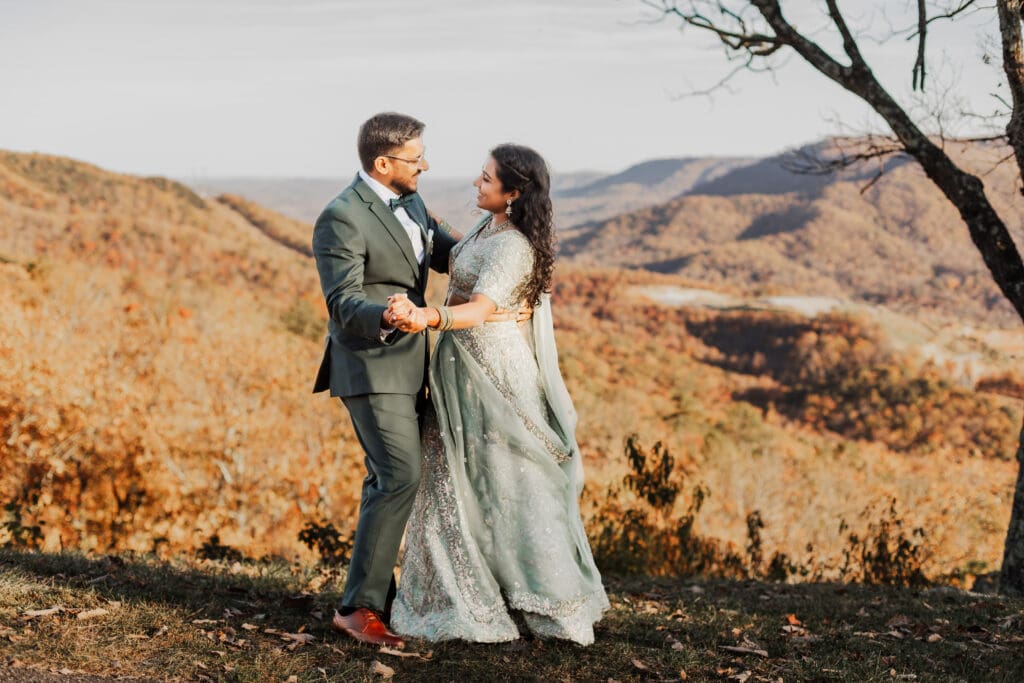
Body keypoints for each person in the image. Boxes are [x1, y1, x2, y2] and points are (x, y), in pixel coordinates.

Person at [386, 144, 609, 645]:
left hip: (493, 372)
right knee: (456, 478)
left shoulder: (514, 247)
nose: (476, 183)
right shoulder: (491, 228)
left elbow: (482, 308)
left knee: (510, 478)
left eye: (486, 179)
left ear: (514, 193)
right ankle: (461, 590)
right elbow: (463, 259)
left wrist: (427, 318)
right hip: (461, 371)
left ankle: (545, 602)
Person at [311, 112, 459, 649]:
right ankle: (359, 609)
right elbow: (342, 301)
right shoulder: (341, 217)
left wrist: (506, 244)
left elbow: (446, 252)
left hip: (417, 362)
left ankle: (388, 595)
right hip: (370, 364)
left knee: (390, 478)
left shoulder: (412, 200)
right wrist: (388, 315)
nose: (424, 165)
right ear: (383, 162)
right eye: (416, 157)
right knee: (398, 475)